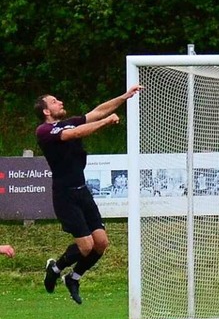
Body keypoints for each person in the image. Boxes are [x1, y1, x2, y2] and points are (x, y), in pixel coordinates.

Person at [35, 84, 142, 304]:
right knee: (86, 246)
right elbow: (76, 133)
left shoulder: (67, 122)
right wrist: (104, 122)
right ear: (46, 111)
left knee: (101, 243)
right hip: (65, 196)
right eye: (54, 101)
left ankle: (73, 278)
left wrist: (124, 96)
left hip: (82, 191)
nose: (60, 102)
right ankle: (55, 267)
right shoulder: (44, 132)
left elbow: (97, 111)